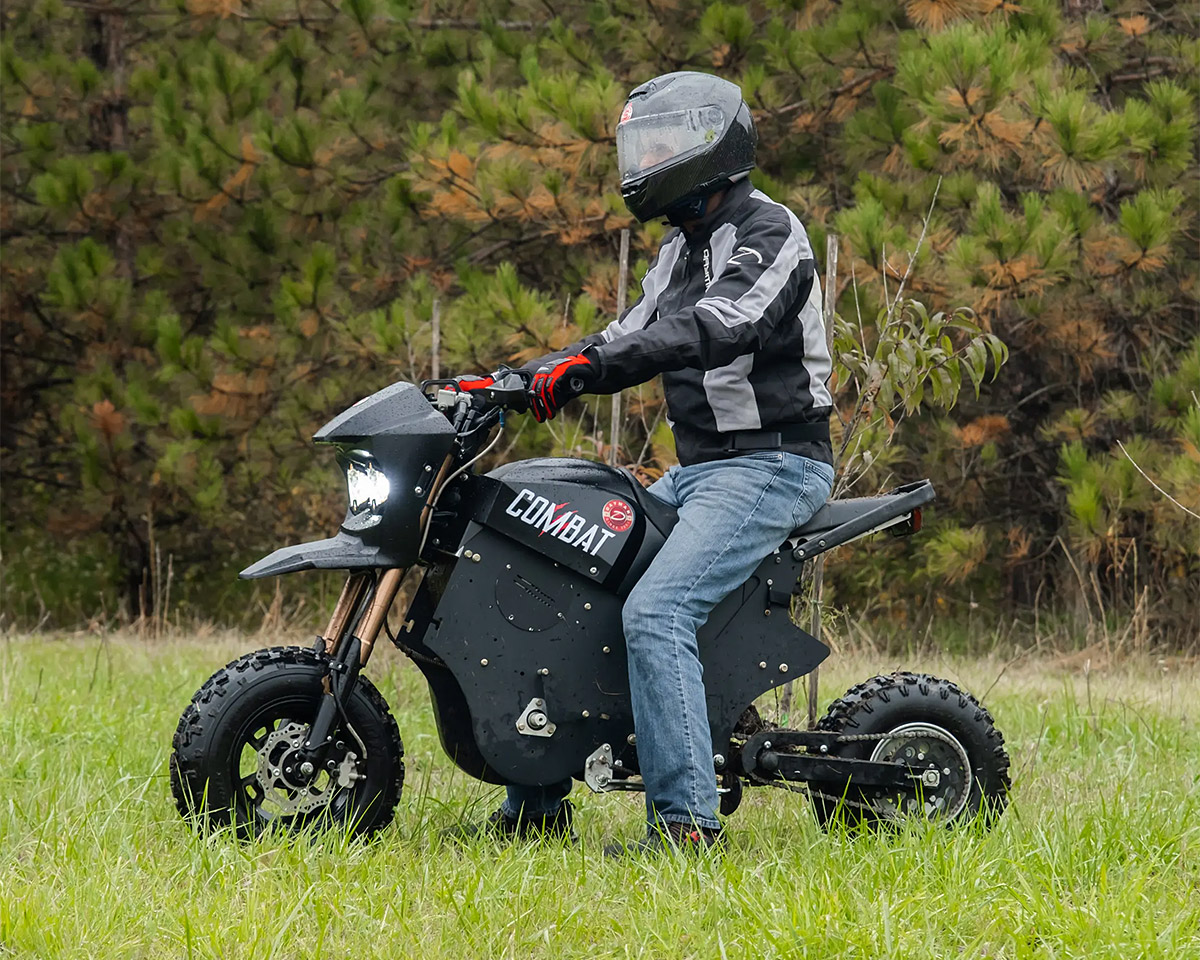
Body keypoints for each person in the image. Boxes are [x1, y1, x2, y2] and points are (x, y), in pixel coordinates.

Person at [455, 71, 834, 856]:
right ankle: (536, 800)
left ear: (711, 143)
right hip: (698, 474)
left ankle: (686, 827)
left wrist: (588, 370)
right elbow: (619, 336)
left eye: (663, 144)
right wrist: (522, 377)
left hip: (774, 465)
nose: (647, 160)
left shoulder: (772, 232)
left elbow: (716, 328)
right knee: (573, 584)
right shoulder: (680, 250)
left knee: (657, 612)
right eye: (642, 146)